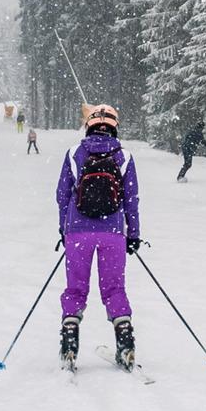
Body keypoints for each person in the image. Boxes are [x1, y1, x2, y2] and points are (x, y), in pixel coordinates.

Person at [55, 104, 143, 371]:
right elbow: (131, 199)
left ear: (89, 125)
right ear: (115, 126)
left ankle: (70, 342)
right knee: (114, 288)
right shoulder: (124, 156)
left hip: (78, 233)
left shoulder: (74, 153)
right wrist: (134, 234)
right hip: (113, 232)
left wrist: (65, 229)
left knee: (75, 288)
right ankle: (125, 341)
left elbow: (62, 196)